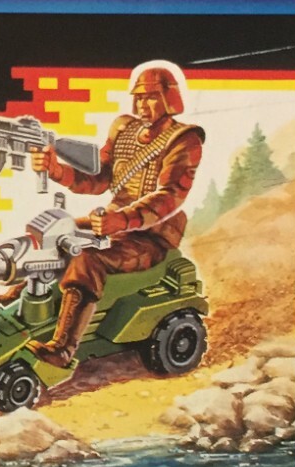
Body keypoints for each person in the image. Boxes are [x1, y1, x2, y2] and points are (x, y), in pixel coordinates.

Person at [30, 65, 205, 368]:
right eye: (139, 98)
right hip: (113, 224)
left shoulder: (184, 140)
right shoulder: (124, 130)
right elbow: (100, 178)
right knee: (53, 231)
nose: (143, 105)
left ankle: (63, 349)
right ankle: (18, 301)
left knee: (87, 259)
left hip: (152, 237)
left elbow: (169, 197)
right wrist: (57, 170)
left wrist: (122, 221)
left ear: (169, 98)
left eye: (151, 97)